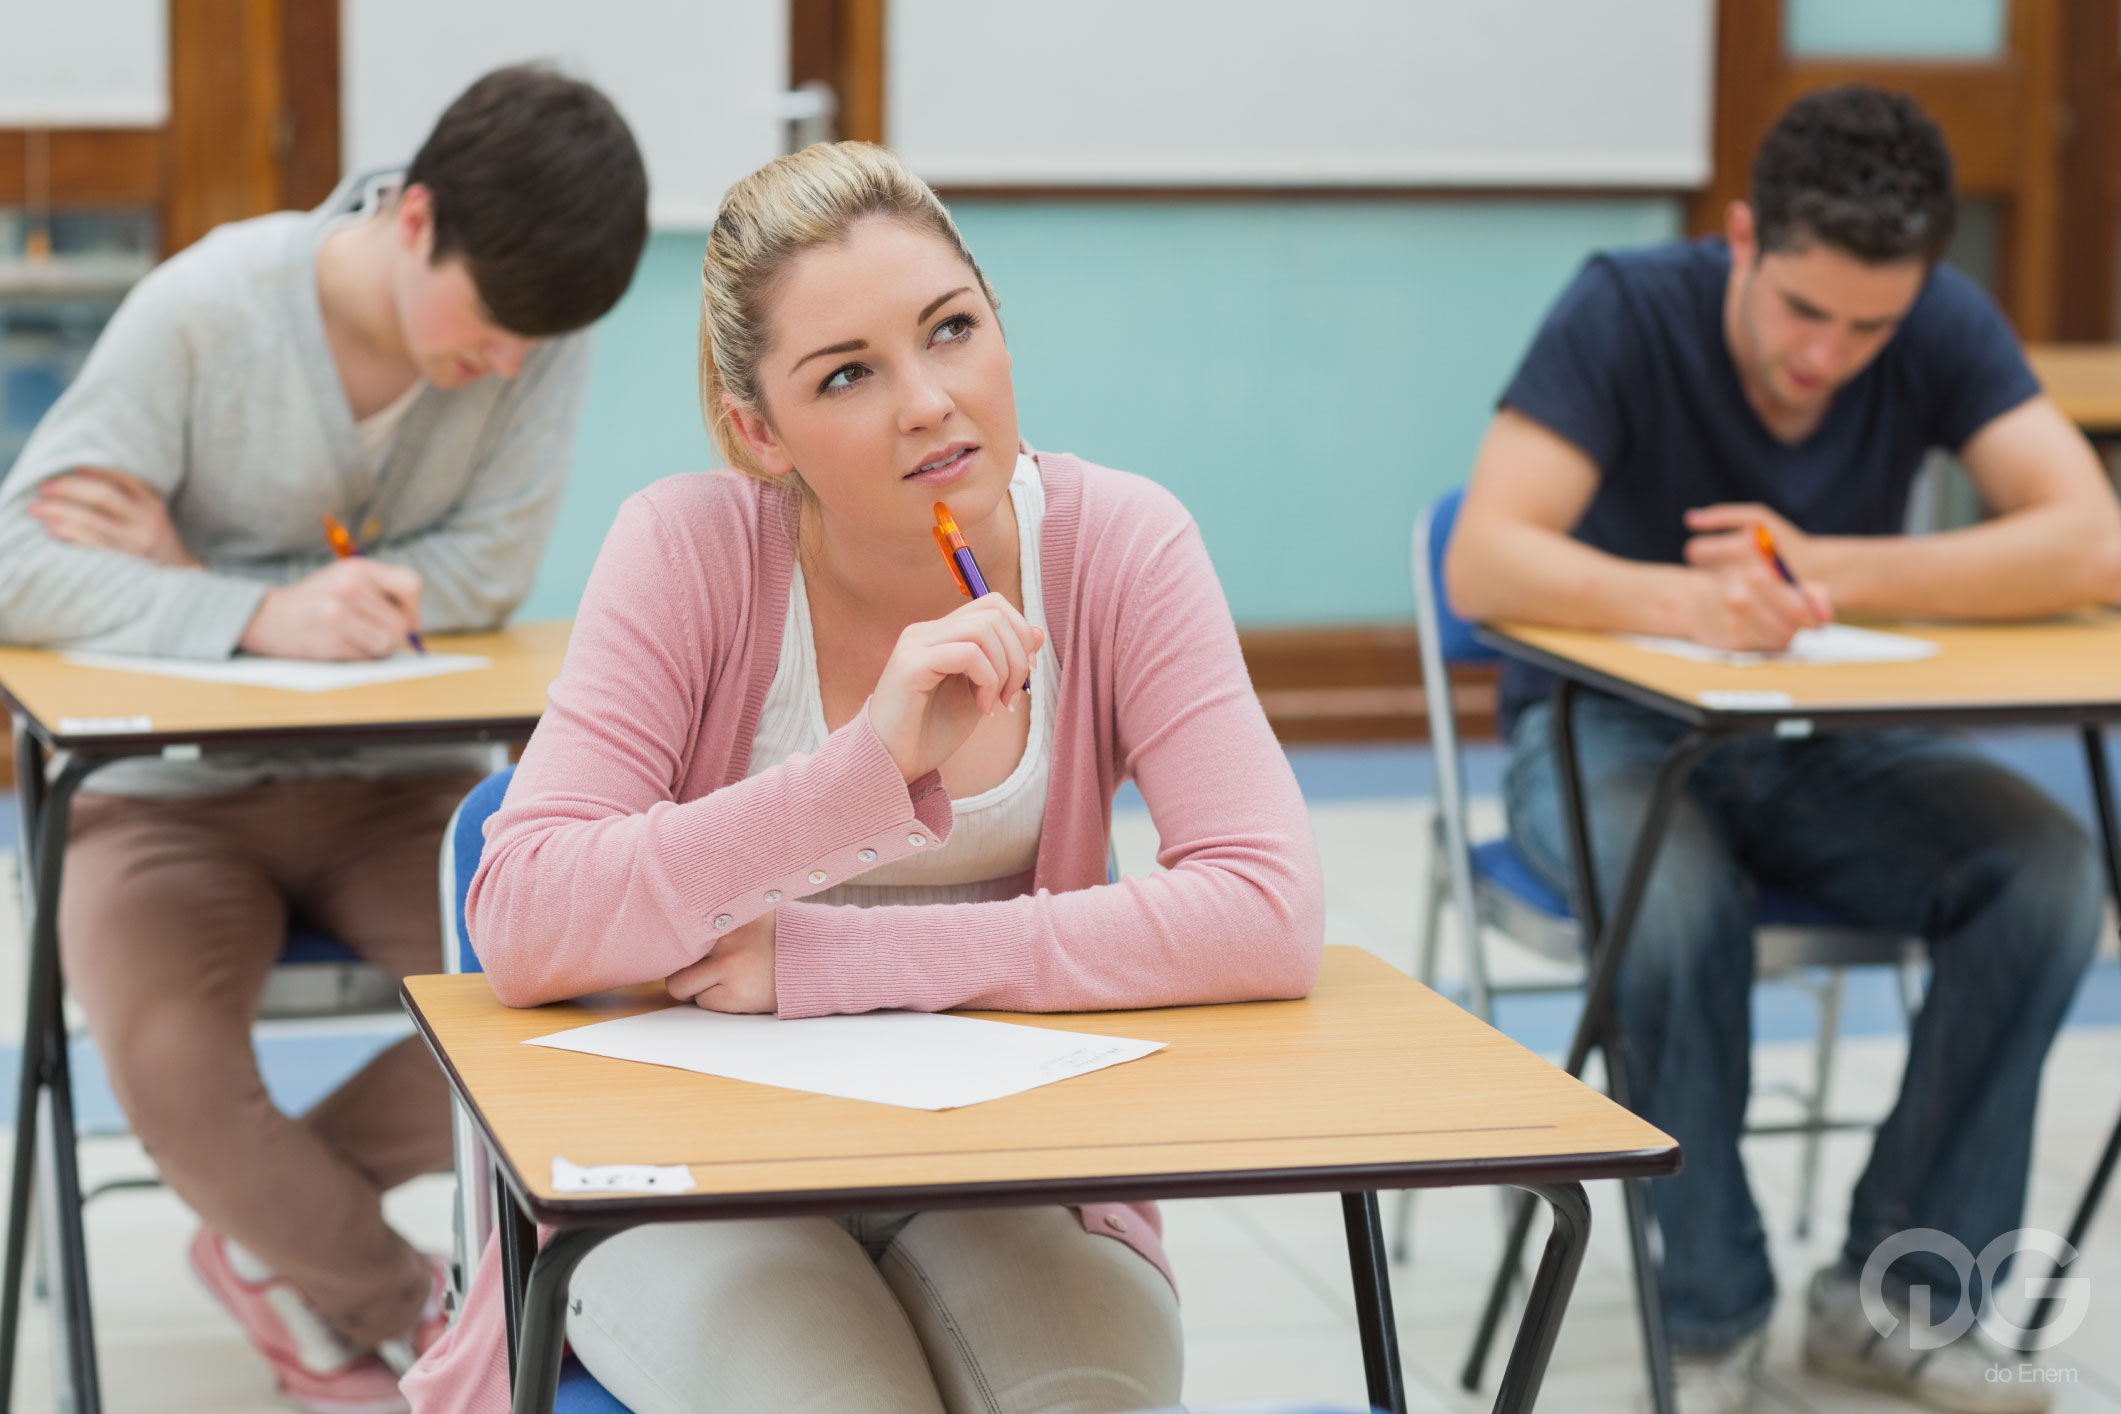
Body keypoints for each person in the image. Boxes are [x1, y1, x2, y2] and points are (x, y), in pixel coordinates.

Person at [402, 140, 1324, 1414]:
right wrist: (867, 770)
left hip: (1009, 1172)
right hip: (690, 1180)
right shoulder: (689, 549)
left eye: (952, 330)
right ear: (759, 434)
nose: (930, 401)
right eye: (848, 374)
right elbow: (522, 915)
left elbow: (1266, 908)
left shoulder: (1121, 544)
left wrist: (846, 965)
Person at [1447, 84, 2117, 1414]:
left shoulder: (1934, 321)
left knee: (2046, 867)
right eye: (1805, 310)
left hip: (1811, 736)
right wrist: (1686, 599)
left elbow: (2089, 535)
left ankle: (1897, 1295)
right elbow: (1484, 555)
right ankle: (1707, 1313)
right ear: (1744, 239)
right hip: (1605, 728)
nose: (1831, 354)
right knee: (1677, 899)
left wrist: (1833, 567)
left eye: (1871, 325)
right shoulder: (1625, 306)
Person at [0, 65, 647, 1414]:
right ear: (412, 219)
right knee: (168, 1060)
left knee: (565, 1017)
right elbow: (19, 557)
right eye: (492, 332)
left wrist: (182, 572)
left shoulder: (534, 333)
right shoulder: (205, 306)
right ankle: (427, 1315)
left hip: (394, 780)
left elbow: (485, 568)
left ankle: (275, 1242)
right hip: (162, 796)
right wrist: (258, 611)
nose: (508, 369)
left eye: (537, 345)